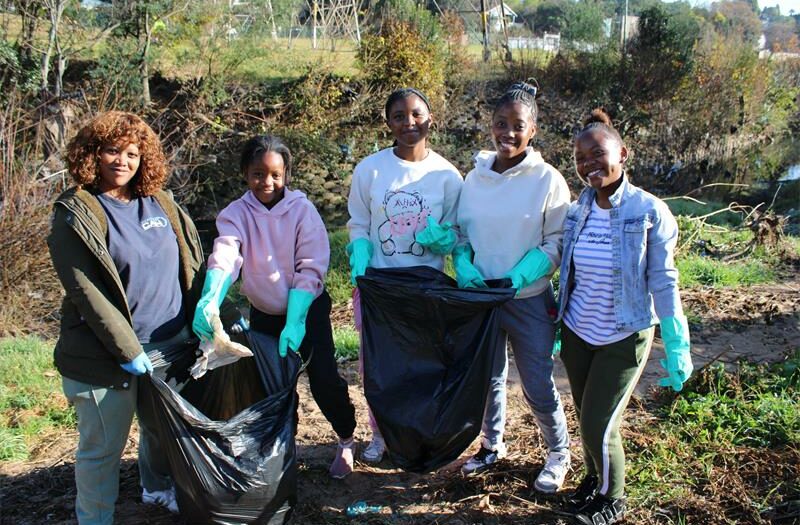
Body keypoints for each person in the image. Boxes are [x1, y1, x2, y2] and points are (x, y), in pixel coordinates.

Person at [48, 111, 240, 523]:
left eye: (132, 153)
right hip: (106, 357)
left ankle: (156, 489)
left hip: (171, 345)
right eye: (112, 151)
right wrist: (127, 349)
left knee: (162, 431)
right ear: (92, 155)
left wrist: (217, 312)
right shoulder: (75, 214)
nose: (122, 161)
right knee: (101, 449)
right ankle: (95, 517)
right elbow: (87, 293)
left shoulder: (161, 203)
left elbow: (192, 265)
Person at [192, 134, 358, 479]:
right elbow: (227, 254)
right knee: (275, 387)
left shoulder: (302, 211)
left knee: (324, 380)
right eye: (257, 174)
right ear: (245, 173)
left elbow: (311, 265)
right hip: (265, 315)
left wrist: (296, 319)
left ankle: (345, 439)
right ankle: (285, 445)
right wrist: (211, 298)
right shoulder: (235, 213)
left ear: (287, 174)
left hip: (307, 311)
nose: (267, 182)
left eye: (275, 175)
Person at [557, 108, 693, 525]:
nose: (588, 165)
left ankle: (612, 500)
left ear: (623, 153)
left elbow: (664, 280)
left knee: (600, 421)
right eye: (581, 158)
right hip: (579, 330)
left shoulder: (649, 212)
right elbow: (567, 272)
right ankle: (594, 480)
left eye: (597, 154)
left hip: (623, 334)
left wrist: (676, 341)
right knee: (586, 414)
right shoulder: (577, 209)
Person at [454, 81, 572, 493]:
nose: (508, 132)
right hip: (483, 299)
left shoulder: (548, 179)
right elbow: (461, 232)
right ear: (491, 125)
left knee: (537, 381)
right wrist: (463, 262)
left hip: (528, 299)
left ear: (533, 130)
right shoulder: (474, 178)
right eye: (500, 123)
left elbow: (557, 240)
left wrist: (523, 274)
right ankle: (492, 444)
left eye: (517, 125)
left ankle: (558, 452)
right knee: (488, 377)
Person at [347, 87, 464, 463]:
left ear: (431, 119)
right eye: (398, 115)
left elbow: (457, 232)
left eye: (416, 114)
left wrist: (443, 239)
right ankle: (381, 435)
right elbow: (358, 223)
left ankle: (415, 434)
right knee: (377, 367)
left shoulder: (447, 175)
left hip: (425, 286)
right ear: (388, 123)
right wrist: (361, 257)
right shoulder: (370, 169)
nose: (408, 122)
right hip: (378, 286)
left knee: (421, 364)